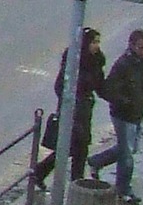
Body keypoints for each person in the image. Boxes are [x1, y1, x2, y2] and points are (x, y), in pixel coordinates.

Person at [30, 28, 106, 187]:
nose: (97, 45)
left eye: (98, 42)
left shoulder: (97, 60)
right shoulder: (73, 61)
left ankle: (41, 173)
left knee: (74, 147)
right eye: (93, 42)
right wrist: (71, 102)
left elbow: (100, 85)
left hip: (85, 110)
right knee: (76, 147)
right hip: (72, 111)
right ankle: (76, 183)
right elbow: (60, 86)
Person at [87, 27, 143, 205]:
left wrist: (142, 105)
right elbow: (108, 90)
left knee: (128, 149)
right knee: (127, 155)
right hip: (123, 115)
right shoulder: (123, 64)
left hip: (137, 114)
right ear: (131, 45)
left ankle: (96, 161)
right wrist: (125, 102)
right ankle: (123, 189)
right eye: (140, 47)